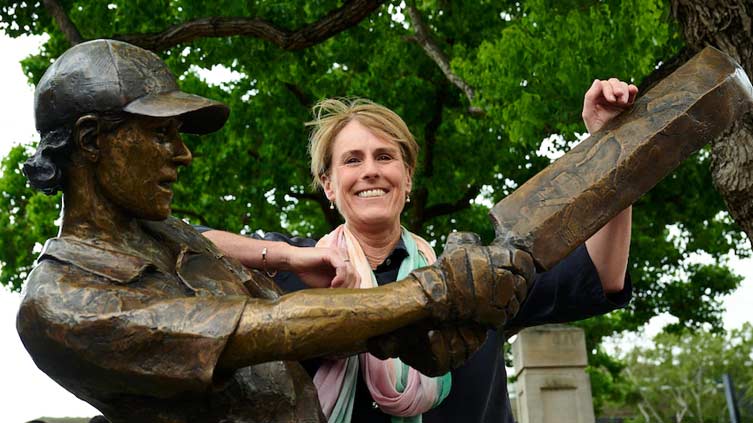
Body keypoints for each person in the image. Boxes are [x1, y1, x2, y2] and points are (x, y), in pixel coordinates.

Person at [16, 39, 533, 423]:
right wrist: (438, 293)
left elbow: (215, 245)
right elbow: (270, 327)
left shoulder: (171, 240)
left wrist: (409, 336)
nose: (183, 154)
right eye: (160, 134)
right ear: (90, 140)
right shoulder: (62, 301)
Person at [199, 78, 637, 422]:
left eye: (385, 157)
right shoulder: (289, 272)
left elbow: (602, 274)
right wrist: (287, 258)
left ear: (407, 178)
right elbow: (181, 241)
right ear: (328, 186)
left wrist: (610, 146)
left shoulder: (476, 277)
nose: (370, 171)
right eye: (352, 160)